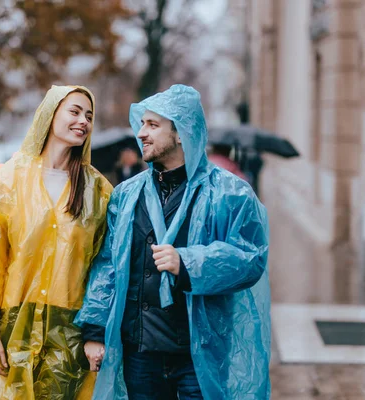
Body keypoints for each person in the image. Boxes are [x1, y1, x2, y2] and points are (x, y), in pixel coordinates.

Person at [75, 84, 271, 400]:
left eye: (153, 125)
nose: (141, 133)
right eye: (141, 124)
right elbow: (109, 264)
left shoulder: (230, 194)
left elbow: (250, 258)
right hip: (141, 353)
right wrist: (95, 331)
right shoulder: (127, 194)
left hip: (197, 353)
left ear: (181, 132)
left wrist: (188, 262)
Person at [0, 85, 113, 400]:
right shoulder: (8, 183)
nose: (83, 120)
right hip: (15, 324)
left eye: (89, 115)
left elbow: (105, 264)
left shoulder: (98, 191)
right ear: (50, 113)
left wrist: (97, 330)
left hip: (70, 328)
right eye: (74, 111)